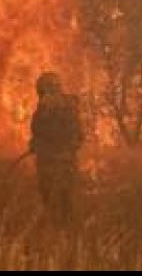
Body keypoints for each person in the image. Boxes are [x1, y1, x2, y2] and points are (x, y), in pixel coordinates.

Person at [29, 71, 83, 224]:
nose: (41, 95)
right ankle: (58, 234)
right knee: (55, 201)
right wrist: (35, 143)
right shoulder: (43, 111)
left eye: (43, 90)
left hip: (59, 164)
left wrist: (61, 150)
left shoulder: (65, 109)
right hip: (53, 164)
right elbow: (37, 133)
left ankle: (63, 235)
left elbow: (77, 136)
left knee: (63, 202)